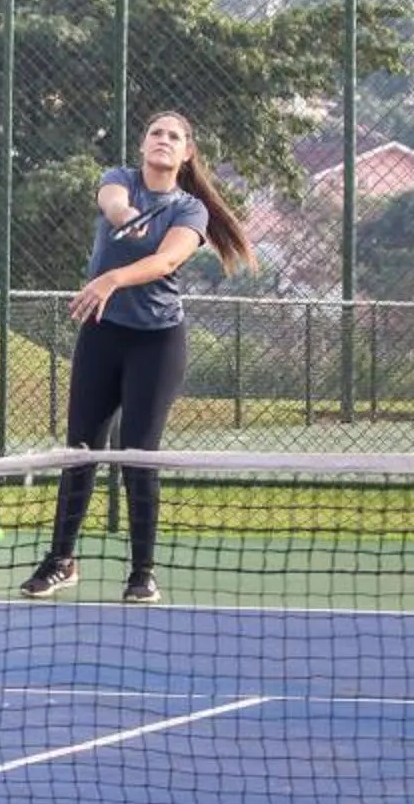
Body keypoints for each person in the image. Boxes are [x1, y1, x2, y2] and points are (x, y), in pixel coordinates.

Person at [18, 109, 255, 605]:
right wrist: (127, 217)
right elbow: (112, 204)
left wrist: (110, 279)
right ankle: (61, 560)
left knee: (138, 454)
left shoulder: (190, 211)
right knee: (80, 450)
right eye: (155, 133)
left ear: (186, 152)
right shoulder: (118, 180)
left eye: (174, 136)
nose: (163, 141)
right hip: (103, 334)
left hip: (158, 340)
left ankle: (143, 571)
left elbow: (166, 260)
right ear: (143, 144)